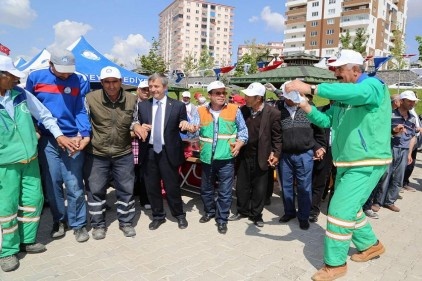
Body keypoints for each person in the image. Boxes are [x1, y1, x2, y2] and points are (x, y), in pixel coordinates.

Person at [284, 49, 392, 280]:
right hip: (347, 162)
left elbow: (359, 93)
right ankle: (371, 245)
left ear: (355, 69)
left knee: (339, 212)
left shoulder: (373, 85)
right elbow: (325, 120)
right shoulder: (343, 99)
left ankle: (335, 265)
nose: (335, 74)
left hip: (367, 161)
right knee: (350, 210)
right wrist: (305, 105)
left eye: (339, 69)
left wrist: (312, 88)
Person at [0, 56, 77, 272]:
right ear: (1, 76)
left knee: (32, 200)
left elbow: (44, 115)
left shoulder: (21, 94)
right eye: (12, 76)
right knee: (6, 208)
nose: (16, 79)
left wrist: (59, 135)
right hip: (5, 165)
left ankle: (27, 240)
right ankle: (7, 250)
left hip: (30, 160)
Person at [25, 49, 91, 243]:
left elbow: (80, 109)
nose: (65, 75)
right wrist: (34, 129)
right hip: (47, 140)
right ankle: (59, 221)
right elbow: (28, 107)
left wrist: (85, 134)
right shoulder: (35, 78)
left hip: (72, 139)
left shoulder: (78, 80)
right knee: (52, 183)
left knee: (74, 184)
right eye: (61, 70)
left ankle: (78, 223)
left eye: (68, 70)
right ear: (50, 64)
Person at [133, 73, 196, 231]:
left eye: (156, 86)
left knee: (172, 185)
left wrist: (185, 124)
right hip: (149, 152)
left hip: (169, 152)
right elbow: (136, 126)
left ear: (165, 87)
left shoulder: (177, 106)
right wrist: (140, 128)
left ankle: (179, 215)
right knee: (152, 186)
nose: (153, 90)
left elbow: (184, 125)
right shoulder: (143, 106)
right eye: (151, 86)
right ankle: (158, 216)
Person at [84, 66, 138, 239]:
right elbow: (84, 122)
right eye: (106, 82)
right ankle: (98, 225)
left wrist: (136, 126)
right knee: (95, 190)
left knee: (126, 189)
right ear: (101, 83)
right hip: (97, 153)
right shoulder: (90, 98)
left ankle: (126, 222)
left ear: (121, 82)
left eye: (114, 81)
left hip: (123, 152)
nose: (111, 85)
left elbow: (134, 121)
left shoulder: (132, 99)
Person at [192, 81, 248, 234]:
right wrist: (191, 128)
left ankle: (222, 219)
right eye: (217, 93)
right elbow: (193, 132)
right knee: (206, 189)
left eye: (223, 93)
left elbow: (243, 131)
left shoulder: (234, 110)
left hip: (226, 158)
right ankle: (209, 211)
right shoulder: (200, 111)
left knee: (225, 191)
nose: (222, 95)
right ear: (209, 95)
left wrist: (240, 143)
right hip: (206, 158)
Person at [229, 82, 281, 227]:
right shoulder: (243, 111)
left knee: (260, 188)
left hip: (262, 155)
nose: (245, 97)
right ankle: (242, 210)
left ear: (258, 98)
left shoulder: (273, 113)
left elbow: (277, 137)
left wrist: (276, 153)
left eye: (249, 96)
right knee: (242, 186)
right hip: (244, 154)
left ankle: (256, 214)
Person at [276, 92, 326, 231]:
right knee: (286, 186)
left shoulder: (308, 108)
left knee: (304, 187)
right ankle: (289, 212)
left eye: (292, 96)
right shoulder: (279, 109)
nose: (289, 99)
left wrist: (320, 146)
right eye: (287, 96)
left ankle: (303, 217)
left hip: (305, 154)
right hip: (285, 155)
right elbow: (276, 133)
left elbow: (319, 130)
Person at [372, 90, 418, 213]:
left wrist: (409, 153)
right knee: (385, 176)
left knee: (398, 177)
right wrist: (394, 130)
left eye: (413, 102)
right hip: (389, 148)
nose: (412, 104)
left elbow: (413, 137)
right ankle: (377, 201)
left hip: (403, 150)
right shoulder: (390, 114)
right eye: (409, 101)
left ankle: (390, 201)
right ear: (402, 101)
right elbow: (380, 132)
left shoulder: (412, 119)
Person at [132, 80, 151, 209]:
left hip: (145, 143)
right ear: (138, 90)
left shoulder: (151, 105)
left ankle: (145, 199)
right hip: (132, 142)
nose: (146, 92)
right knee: (132, 172)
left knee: (145, 172)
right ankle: (133, 195)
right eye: (143, 89)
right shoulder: (131, 104)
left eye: (148, 89)